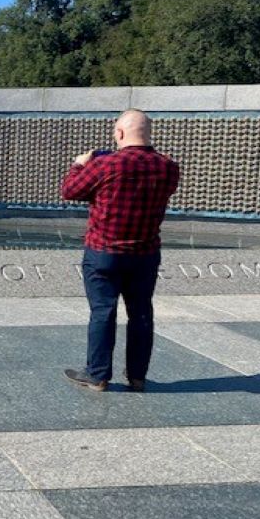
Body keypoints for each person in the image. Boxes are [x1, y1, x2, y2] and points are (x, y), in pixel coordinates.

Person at [60, 109, 179, 392]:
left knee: (103, 311)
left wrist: (79, 165)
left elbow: (70, 190)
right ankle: (137, 376)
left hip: (104, 253)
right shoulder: (168, 167)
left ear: (120, 133)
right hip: (145, 254)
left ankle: (98, 375)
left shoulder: (105, 166)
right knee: (141, 313)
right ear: (148, 133)